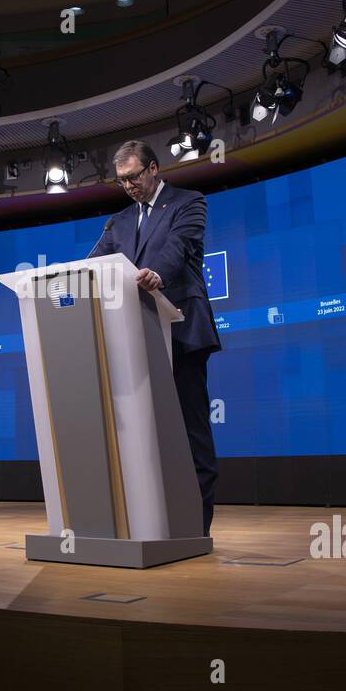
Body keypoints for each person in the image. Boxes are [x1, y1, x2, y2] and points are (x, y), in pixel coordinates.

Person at [89, 140, 221, 535]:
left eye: (132, 177)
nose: (127, 185)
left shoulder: (188, 201)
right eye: (121, 181)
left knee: (189, 428)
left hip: (180, 330)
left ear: (152, 169)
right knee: (146, 433)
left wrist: (156, 275)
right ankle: (154, 520)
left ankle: (196, 527)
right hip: (135, 337)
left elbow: (178, 249)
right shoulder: (118, 221)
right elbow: (96, 262)